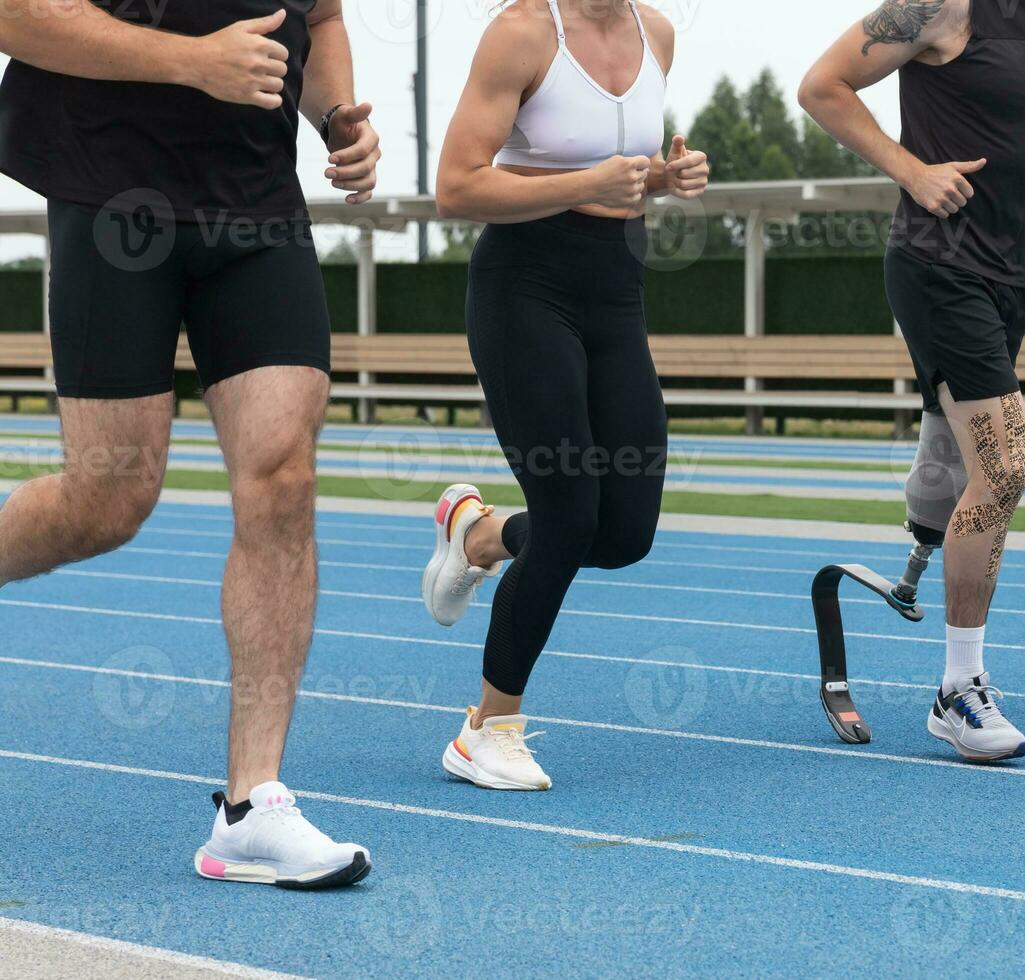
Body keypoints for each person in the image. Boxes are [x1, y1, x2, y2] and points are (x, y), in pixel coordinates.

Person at [0, 1, 381, 885]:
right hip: (111, 190)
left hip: (254, 201)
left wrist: (336, 115)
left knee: (282, 471)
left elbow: (320, 18)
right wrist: (192, 61)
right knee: (109, 497)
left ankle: (252, 806)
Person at [800, 0, 1025, 762]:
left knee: (956, 461)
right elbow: (822, 87)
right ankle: (959, 690)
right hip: (937, 263)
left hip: (1012, 273)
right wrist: (911, 171)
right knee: (1008, 465)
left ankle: (919, 551)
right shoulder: (939, 6)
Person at [425, 0, 708, 791]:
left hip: (616, 289)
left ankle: (479, 533)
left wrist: (665, 175)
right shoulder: (522, 33)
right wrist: (589, 181)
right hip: (524, 287)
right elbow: (455, 186)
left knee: (623, 534)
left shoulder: (658, 34)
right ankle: (487, 728)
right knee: (568, 515)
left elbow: (622, 178)